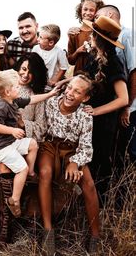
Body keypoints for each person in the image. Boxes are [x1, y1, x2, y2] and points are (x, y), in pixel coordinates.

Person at [0, 52, 49, 242]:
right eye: (23, 69)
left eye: (31, 72)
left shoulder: (36, 94)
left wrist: (23, 125)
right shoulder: (3, 87)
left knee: (5, 165)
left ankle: (5, 221)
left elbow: (41, 128)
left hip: (19, 141)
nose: (25, 74)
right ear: (18, 68)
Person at [38, 74, 100, 255]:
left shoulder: (85, 115)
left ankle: (95, 235)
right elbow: (42, 131)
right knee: (45, 172)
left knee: (88, 183)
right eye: (70, 87)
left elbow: (87, 149)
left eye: (77, 91)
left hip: (72, 150)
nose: (70, 93)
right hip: (49, 145)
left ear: (85, 98)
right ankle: (48, 230)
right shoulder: (51, 103)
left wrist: (74, 162)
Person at [0, 69, 58, 218]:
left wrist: (50, 94)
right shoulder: (1, 106)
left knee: (33, 144)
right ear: (8, 91)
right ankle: (14, 199)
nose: (19, 88)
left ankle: (31, 173)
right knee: (22, 169)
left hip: (11, 142)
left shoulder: (14, 101)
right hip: (2, 147)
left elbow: (33, 99)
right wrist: (12, 131)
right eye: (16, 86)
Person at [83, 16, 129, 201]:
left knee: (101, 163)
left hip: (104, 122)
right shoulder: (95, 58)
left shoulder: (113, 62)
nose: (89, 38)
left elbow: (123, 98)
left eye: (92, 35)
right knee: (90, 162)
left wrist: (96, 111)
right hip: (90, 120)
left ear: (97, 37)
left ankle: (103, 204)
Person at [95, 5, 136, 164]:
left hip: (130, 105)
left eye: (98, 16)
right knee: (118, 150)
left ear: (110, 14)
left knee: (131, 150)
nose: (95, 19)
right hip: (119, 103)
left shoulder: (128, 34)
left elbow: (134, 71)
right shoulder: (110, 37)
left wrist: (128, 107)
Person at [67, 0, 104, 74]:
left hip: (96, 75)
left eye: (91, 10)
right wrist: (77, 51)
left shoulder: (99, 33)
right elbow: (70, 61)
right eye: (85, 9)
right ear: (80, 11)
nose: (87, 12)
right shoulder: (74, 33)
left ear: (96, 13)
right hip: (78, 76)